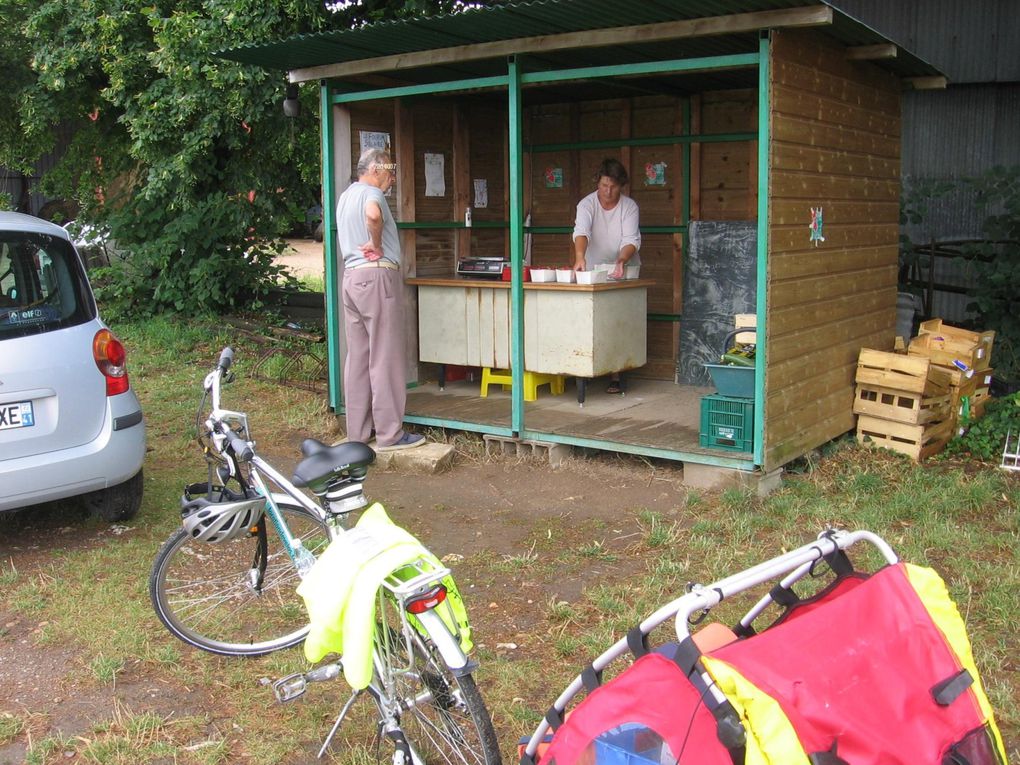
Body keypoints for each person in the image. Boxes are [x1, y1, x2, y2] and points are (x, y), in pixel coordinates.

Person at [335, 148, 424, 451]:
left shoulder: (345, 196)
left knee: (358, 357)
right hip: (376, 278)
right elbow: (373, 215)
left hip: (351, 279)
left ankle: (357, 435)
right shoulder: (372, 194)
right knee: (385, 357)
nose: (393, 178)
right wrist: (376, 244)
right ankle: (390, 434)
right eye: (390, 171)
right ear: (375, 169)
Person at [571, 158, 641, 394]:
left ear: (621, 185)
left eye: (613, 186)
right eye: (603, 186)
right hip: (594, 269)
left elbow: (631, 240)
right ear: (597, 183)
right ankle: (588, 369)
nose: (608, 191)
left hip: (623, 269)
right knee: (590, 321)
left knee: (618, 320)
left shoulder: (629, 207)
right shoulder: (586, 204)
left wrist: (621, 261)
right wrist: (580, 256)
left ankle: (616, 374)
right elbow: (581, 232)